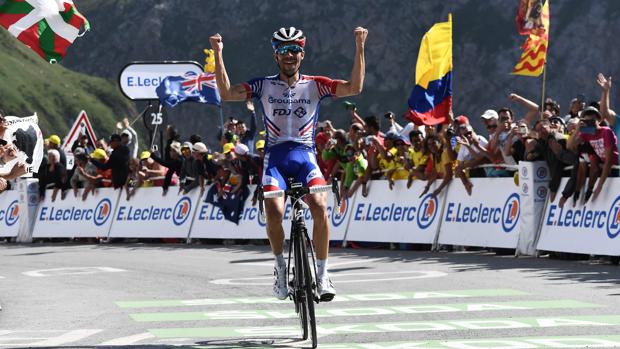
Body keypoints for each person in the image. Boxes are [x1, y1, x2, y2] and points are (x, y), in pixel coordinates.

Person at [210, 25, 368, 301]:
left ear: (302, 54)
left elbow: (354, 87)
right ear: (276, 56)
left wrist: (360, 45)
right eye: (284, 50)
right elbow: (226, 93)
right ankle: (280, 269)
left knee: (319, 206)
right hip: (276, 160)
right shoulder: (263, 85)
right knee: (273, 209)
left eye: (294, 49)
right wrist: (218, 53)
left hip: (306, 157)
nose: (289, 55)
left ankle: (322, 274)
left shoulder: (315, 85)